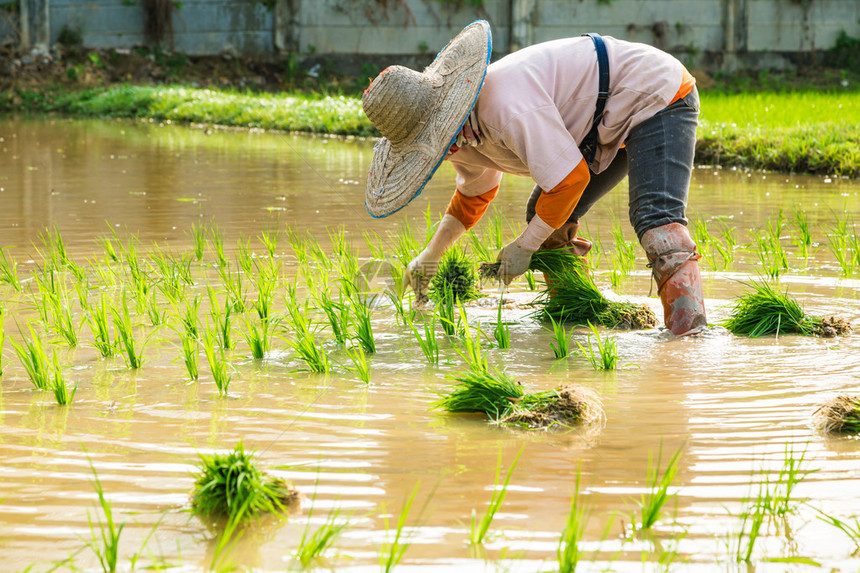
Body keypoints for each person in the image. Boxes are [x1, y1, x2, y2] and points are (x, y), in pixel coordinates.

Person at [360, 20, 707, 336]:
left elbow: (569, 180)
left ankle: (688, 336)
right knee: (544, 220)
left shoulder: (504, 106)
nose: (440, 153)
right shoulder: (459, 138)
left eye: (436, 140)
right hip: (600, 119)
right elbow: (474, 196)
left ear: (449, 115)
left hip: (655, 93)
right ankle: (580, 318)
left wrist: (524, 247)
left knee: (655, 219)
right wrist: (430, 256)